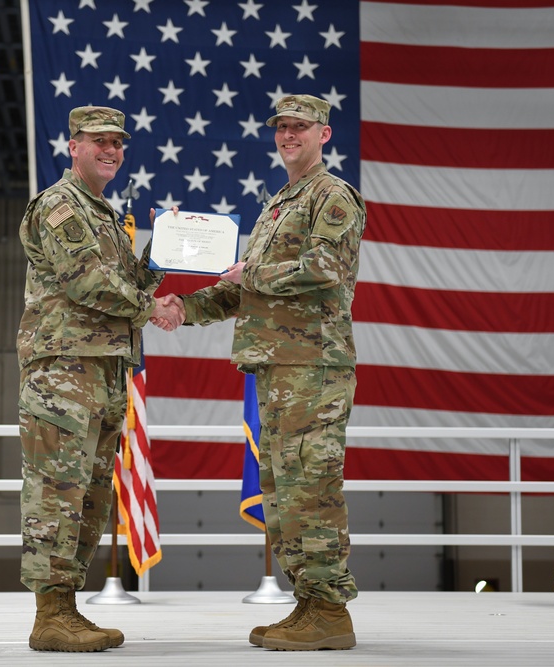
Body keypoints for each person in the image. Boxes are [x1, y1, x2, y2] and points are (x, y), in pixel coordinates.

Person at [162, 94, 366, 651]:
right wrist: (182, 305)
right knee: (283, 492)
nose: (288, 136)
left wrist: (251, 272)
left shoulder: (332, 195)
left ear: (324, 135)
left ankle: (330, 611)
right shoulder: (278, 203)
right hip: (277, 370)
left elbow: (324, 269)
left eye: (300, 127)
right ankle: (309, 603)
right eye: (281, 127)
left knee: (312, 488)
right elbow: (240, 288)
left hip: (313, 369)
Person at [16, 105, 183, 652]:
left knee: (89, 496)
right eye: (98, 141)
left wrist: (168, 246)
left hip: (103, 371)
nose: (110, 150)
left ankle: (66, 606)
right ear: (74, 146)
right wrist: (152, 309)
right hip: (63, 373)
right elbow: (87, 283)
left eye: (118, 143)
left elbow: (127, 278)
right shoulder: (61, 206)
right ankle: (49, 614)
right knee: (55, 493)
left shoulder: (105, 214)